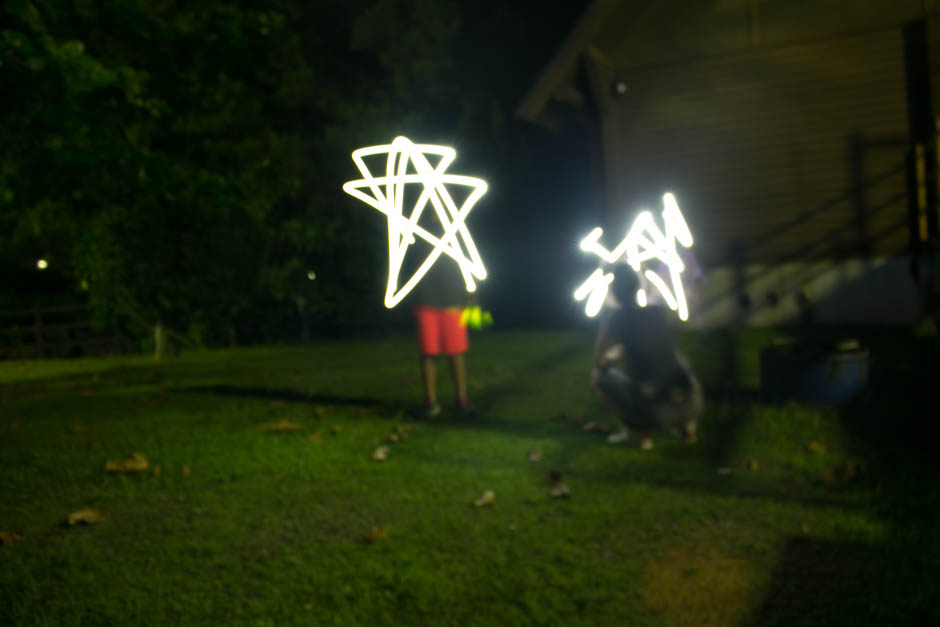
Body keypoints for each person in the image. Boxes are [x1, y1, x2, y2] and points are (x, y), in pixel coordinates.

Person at [590, 264, 703, 449]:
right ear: (638, 287)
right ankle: (687, 428)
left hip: (654, 410)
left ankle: (638, 435)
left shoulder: (615, 319)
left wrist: (613, 354)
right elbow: (658, 346)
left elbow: (599, 363)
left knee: (598, 377)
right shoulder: (658, 312)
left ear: (615, 293)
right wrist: (626, 350)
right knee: (676, 359)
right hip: (692, 402)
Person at [409, 259, 476, 418]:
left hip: (453, 298)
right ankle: (430, 402)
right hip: (425, 298)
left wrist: (470, 293)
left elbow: (466, 256)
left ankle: (461, 400)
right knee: (428, 351)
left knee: (456, 351)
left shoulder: (456, 234)